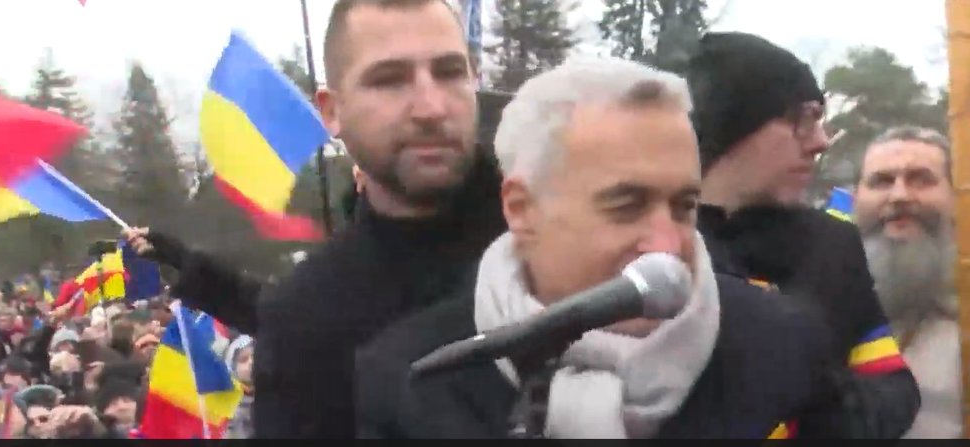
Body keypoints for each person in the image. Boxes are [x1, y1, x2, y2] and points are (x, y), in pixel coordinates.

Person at [356, 55, 846, 439]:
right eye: (625, 206)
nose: (666, 245)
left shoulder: (784, 346)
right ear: (522, 209)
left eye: (683, 206)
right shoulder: (411, 382)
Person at [128, 0, 504, 438]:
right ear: (331, 111)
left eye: (450, 72)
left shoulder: (569, 229)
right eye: (389, 81)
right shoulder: (305, 322)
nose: (431, 107)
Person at [687, 31, 920, 437]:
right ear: (737, 123)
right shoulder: (660, 248)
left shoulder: (833, 244)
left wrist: (806, 388)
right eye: (802, 120)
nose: (821, 142)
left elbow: (894, 389)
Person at [852, 126, 961, 438]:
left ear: (956, 197)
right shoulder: (818, 302)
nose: (899, 195)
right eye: (881, 181)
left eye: (921, 179)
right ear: (857, 197)